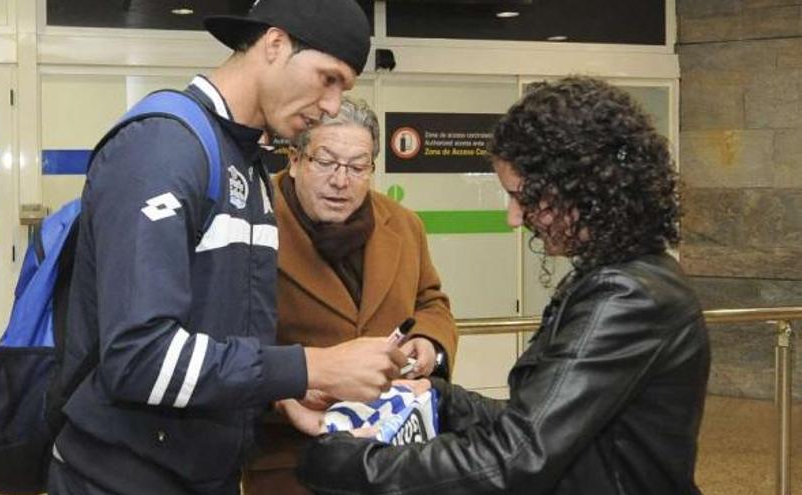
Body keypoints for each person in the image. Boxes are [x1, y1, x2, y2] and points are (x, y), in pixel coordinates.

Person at [47, 1, 409, 494]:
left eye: (343, 88)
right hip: (123, 476)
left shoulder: (246, 162)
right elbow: (138, 359)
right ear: (275, 44)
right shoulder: (163, 147)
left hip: (203, 471)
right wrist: (311, 366)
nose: (331, 105)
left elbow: (221, 331)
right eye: (328, 78)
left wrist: (283, 395)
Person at [295, 76, 711, 495]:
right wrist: (440, 398)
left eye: (524, 197)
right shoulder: (624, 276)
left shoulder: (625, 296)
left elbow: (516, 457)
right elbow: (539, 419)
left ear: (581, 187)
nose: (515, 217)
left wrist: (351, 463)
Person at [242, 97, 459, 495]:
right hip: (293, 458)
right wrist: (287, 391)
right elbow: (223, 338)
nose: (341, 181)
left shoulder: (404, 224)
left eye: (358, 167)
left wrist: (429, 343)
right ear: (294, 159)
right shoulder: (251, 221)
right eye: (325, 162)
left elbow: (430, 301)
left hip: (394, 452)